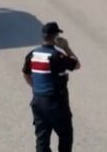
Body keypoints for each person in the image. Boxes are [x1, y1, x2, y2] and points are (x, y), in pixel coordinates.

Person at [22, 22, 81, 152]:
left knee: (42, 139)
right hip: (56, 103)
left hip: (38, 101)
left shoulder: (32, 54)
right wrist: (66, 47)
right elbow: (76, 65)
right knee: (65, 136)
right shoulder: (57, 56)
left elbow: (26, 73)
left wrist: (36, 88)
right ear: (55, 37)